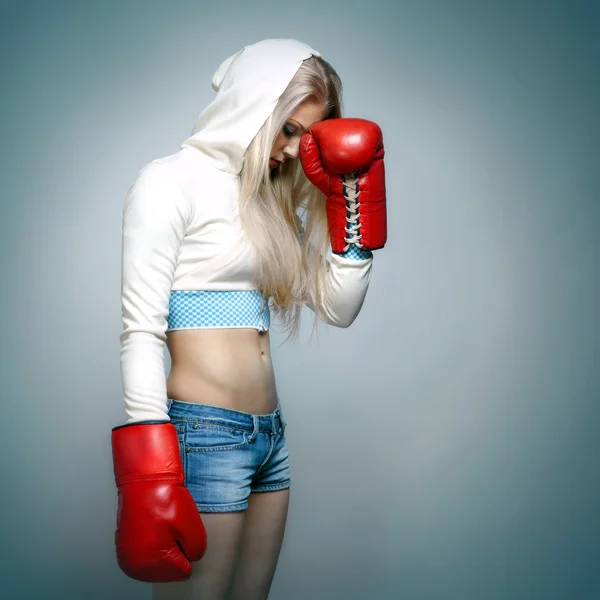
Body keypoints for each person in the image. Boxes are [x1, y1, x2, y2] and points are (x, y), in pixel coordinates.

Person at [110, 38, 387, 600]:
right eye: (287, 130)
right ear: (253, 106)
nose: (293, 151)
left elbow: (340, 308)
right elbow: (140, 332)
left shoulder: (268, 197)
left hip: (269, 435)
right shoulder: (169, 182)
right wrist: (150, 474)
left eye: (309, 138)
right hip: (204, 434)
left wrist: (351, 198)